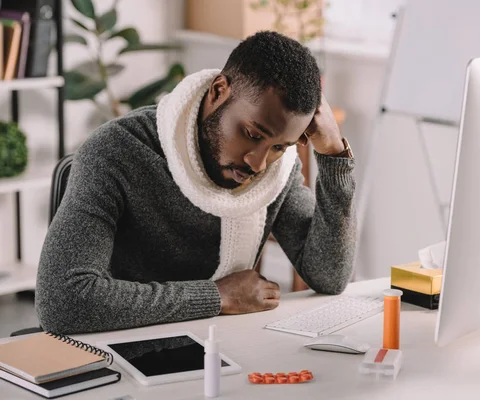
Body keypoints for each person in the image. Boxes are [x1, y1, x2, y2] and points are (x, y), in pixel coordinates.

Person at [36, 31, 356, 334]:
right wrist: (216, 297)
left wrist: (334, 155)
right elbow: (63, 301)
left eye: (278, 146)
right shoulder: (116, 151)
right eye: (252, 134)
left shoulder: (277, 172)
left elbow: (329, 276)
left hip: (222, 346)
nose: (258, 163)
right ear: (219, 91)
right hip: (121, 352)